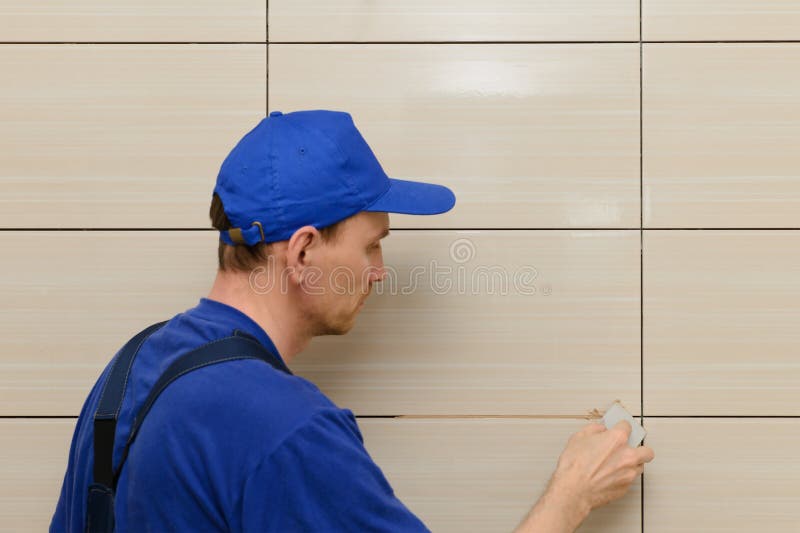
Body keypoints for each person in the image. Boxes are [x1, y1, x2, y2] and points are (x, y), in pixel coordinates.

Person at [50, 109, 654, 532]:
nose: (379, 271)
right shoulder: (286, 428)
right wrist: (571, 498)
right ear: (305, 252)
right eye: (371, 246)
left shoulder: (132, 365)